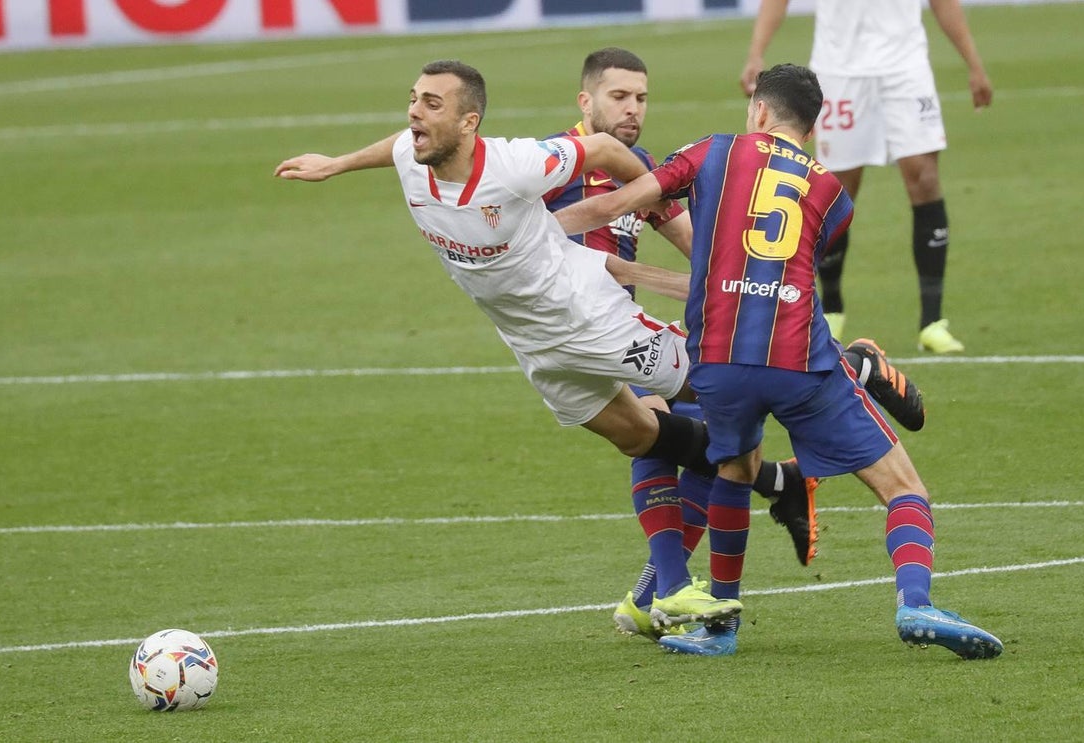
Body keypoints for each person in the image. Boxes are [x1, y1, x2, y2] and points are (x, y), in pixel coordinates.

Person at [553, 63, 1003, 659]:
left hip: (716, 360)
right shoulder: (834, 193)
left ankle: (720, 625)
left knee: (729, 470)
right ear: (811, 129)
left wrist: (532, 242)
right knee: (903, 488)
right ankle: (915, 601)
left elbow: (621, 204)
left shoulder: (711, 152)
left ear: (759, 111)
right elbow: (793, 264)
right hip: (798, 360)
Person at [275, 59, 744, 628]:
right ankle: (683, 572)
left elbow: (605, 153)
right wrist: (336, 165)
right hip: (535, 348)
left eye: (432, 104)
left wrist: (644, 196)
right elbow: (399, 143)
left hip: (591, 319)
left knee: (736, 374)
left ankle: (844, 382)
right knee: (643, 436)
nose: (415, 114)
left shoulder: (516, 164)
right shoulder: (412, 152)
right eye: (414, 99)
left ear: (469, 122)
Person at [739, 0, 993, 353]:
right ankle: (831, 309)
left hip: (905, 67)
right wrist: (756, 53)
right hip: (839, 69)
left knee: (925, 178)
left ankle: (932, 322)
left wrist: (974, 64)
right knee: (836, 189)